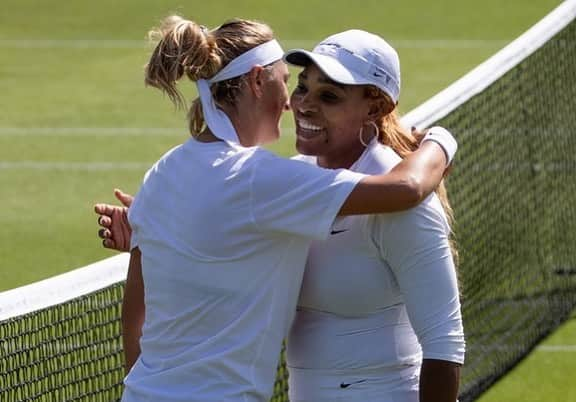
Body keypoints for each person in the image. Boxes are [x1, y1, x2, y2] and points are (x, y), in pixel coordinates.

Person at [95, 16, 459, 402]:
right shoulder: (273, 182)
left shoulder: (165, 174)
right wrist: (441, 140)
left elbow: (445, 341)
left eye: (329, 96)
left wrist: (173, 235)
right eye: (295, 84)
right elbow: (407, 187)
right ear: (256, 81)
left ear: (375, 108)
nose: (295, 104)